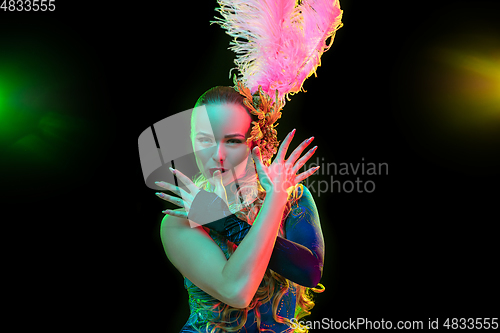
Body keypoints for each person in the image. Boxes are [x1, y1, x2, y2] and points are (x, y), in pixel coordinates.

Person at [155, 85, 325, 332]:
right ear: (191, 139)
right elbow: (236, 291)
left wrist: (222, 219)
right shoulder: (179, 218)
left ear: (254, 143)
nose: (218, 155)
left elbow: (309, 272)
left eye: (233, 141)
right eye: (205, 140)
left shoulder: (290, 197)